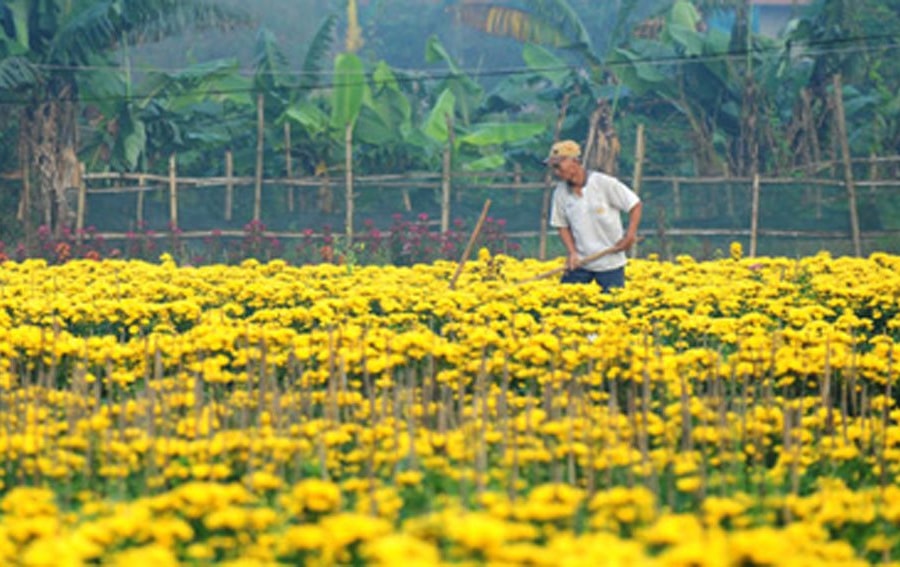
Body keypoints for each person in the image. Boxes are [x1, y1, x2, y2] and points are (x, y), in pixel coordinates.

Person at [546, 139, 643, 289]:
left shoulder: (603, 183)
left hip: (610, 260)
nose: (556, 172)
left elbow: (634, 205)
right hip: (581, 262)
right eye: (553, 167)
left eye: (558, 166)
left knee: (613, 305)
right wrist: (572, 253)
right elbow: (561, 225)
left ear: (575, 162)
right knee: (565, 299)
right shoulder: (560, 192)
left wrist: (629, 236)